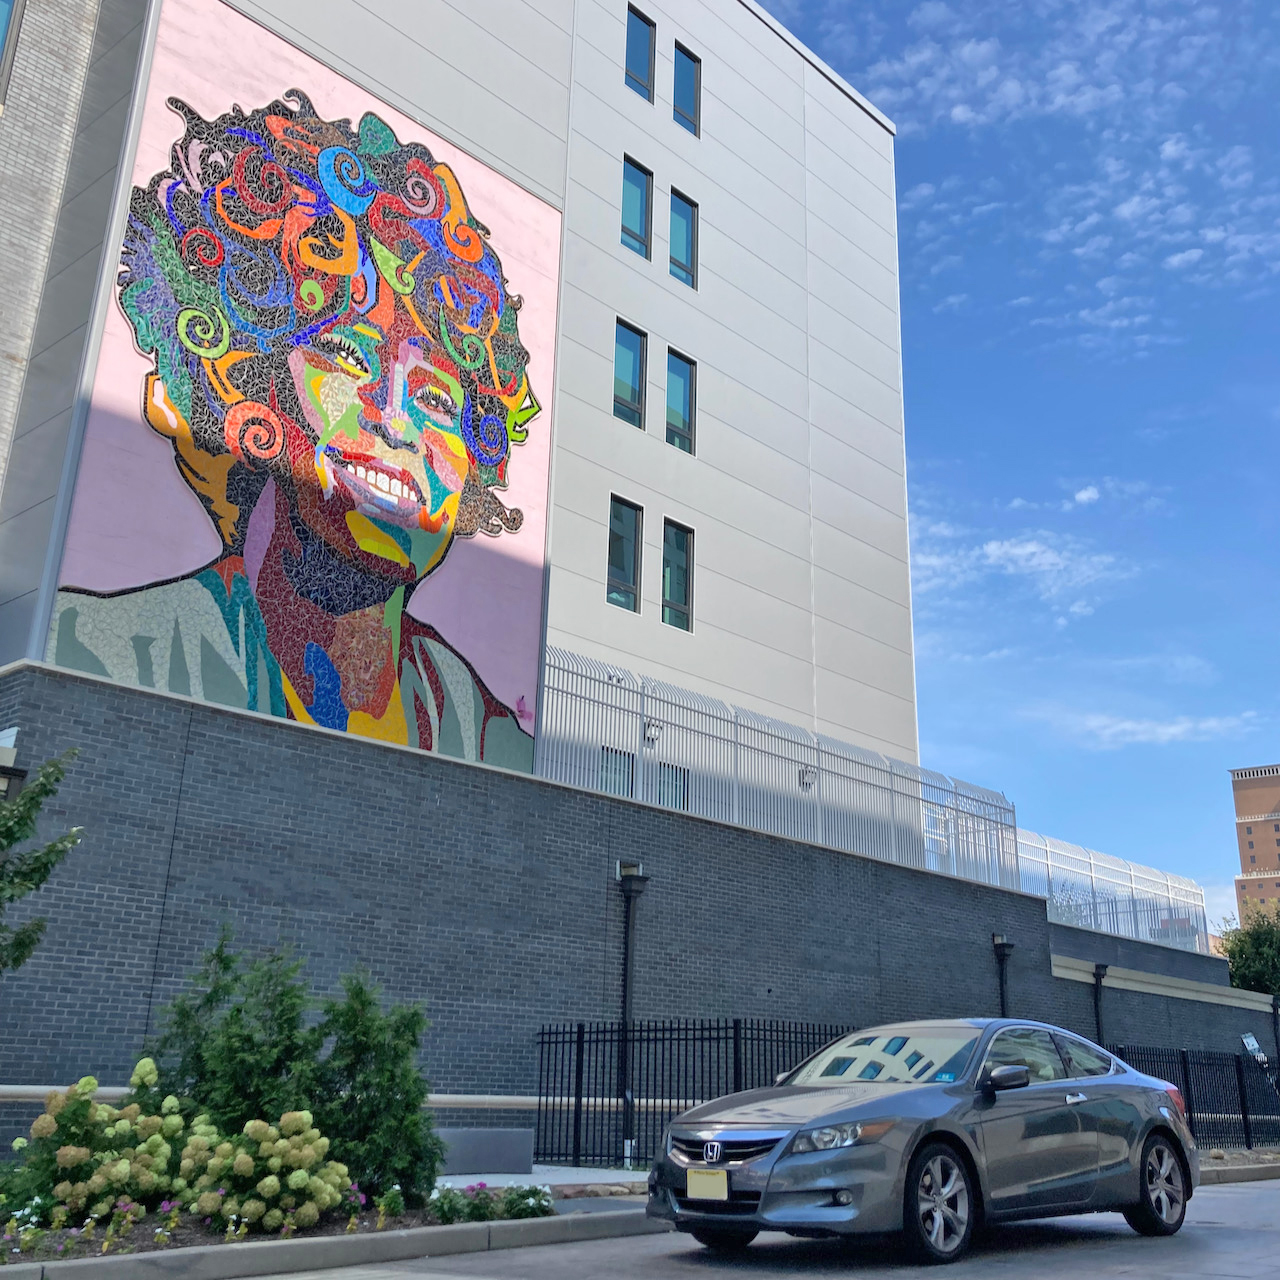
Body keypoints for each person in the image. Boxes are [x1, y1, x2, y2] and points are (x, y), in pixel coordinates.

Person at [49, 91, 539, 769]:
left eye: (433, 398)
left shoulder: (495, 741)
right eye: (347, 358)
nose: (397, 423)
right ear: (249, 376)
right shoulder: (97, 650)